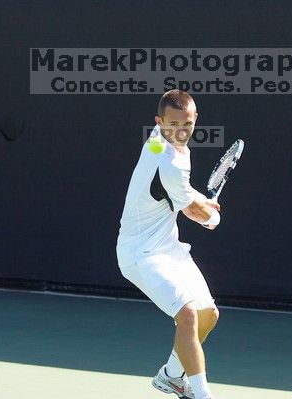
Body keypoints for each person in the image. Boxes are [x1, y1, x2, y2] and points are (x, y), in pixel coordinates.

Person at [116, 89, 221, 399]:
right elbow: (191, 210)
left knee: (208, 314)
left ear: (195, 119)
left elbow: (181, 192)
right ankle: (202, 395)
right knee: (187, 313)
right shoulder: (168, 160)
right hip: (140, 255)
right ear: (159, 122)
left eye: (187, 124)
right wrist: (211, 218)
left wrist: (199, 200)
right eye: (173, 124)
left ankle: (172, 375)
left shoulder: (163, 138)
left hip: (168, 248)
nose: (181, 131)